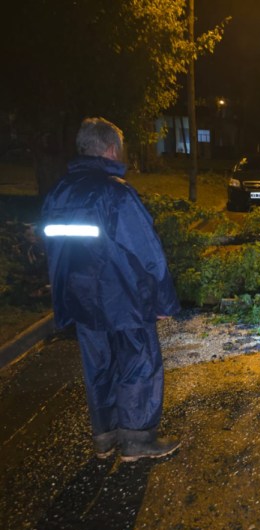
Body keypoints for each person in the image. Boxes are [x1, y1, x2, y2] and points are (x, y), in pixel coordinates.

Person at [40, 117, 181, 462]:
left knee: (99, 367)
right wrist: (164, 301)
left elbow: (53, 249)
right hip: (125, 299)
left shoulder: (59, 192)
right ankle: (137, 440)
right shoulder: (115, 193)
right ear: (111, 149)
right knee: (138, 364)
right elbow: (148, 253)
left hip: (82, 299)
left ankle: (105, 437)